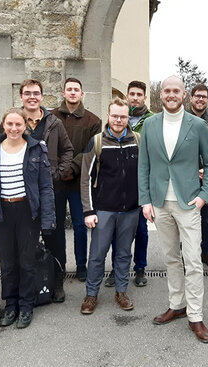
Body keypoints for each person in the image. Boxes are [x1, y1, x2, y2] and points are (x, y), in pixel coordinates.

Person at [138, 76, 208, 343]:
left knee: (193, 261)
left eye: (176, 91)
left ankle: (196, 315)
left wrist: (204, 196)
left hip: (188, 202)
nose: (171, 94)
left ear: (184, 95)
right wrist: (145, 200)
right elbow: (144, 166)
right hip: (160, 203)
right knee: (171, 258)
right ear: (161, 94)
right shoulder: (149, 124)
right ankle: (177, 304)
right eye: (167, 90)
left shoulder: (198, 125)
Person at [0, 108, 55, 329]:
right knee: (8, 263)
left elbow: (45, 186)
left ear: (25, 126)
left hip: (27, 212)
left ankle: (26, 306)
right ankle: (10, 306)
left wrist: (48, 218)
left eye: (18, 124)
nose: (13, 128)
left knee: (27, 262)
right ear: (3, 125)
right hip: (1, 213)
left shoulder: (35, 149)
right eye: (9, 124)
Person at [80, 97, 141, 315]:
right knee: (97, 254)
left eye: (123, 116)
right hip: (103, 209)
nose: (118, 120)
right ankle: (91, 294)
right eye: (114, 115)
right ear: (108, 116)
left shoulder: (138, 140)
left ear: (128, 118)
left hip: (131, 210)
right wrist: (88, 210)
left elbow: (144, 174)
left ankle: (121, 291)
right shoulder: (97, 142)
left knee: (124, 254)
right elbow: (86, 178)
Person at [19, 79, 73, 302]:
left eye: (36, 93)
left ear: (42, 97)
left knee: (54, 236)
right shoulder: (14, 120)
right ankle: (29, 281)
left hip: (51, 190)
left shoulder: (54, 122)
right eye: (27, 93)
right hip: (22, 191)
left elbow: (67, 150)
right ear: (21, 96)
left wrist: (57, 174)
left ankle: (57, 280)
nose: (32, 96)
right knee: (25, 237)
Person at [51, 77, 101, 282]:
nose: (72, 93)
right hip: (55, 180)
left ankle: (82, 266)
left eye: (76, 90)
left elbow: (92, 150)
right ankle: (58, 265)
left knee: (81, 225)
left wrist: (73, 166)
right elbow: (48, 147)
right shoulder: (51, 118)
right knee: (56, 225)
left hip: (79, 180)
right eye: (69, 89)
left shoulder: (93, 121)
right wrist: (60, 169)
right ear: (63, 93)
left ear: (82, 94)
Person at [105, 81, 153, 288]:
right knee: (118, 232)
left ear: (144, 97)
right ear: (126, 96)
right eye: (131, 93)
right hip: (117, 188)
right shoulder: (116, 117)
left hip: (139, 187)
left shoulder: (151, 121)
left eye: (139, 94)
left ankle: (140, 268)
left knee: (141, 231)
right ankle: (117, 269)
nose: (135, 97)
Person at [186, 83, 208, 271]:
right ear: (191, 98)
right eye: (197, 96)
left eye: (204, 96)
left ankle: (206, 252)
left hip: (207, 178)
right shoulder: (181, 118)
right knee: (187, 219)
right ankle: (187, 255)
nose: (200, 99)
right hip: (185, 178)